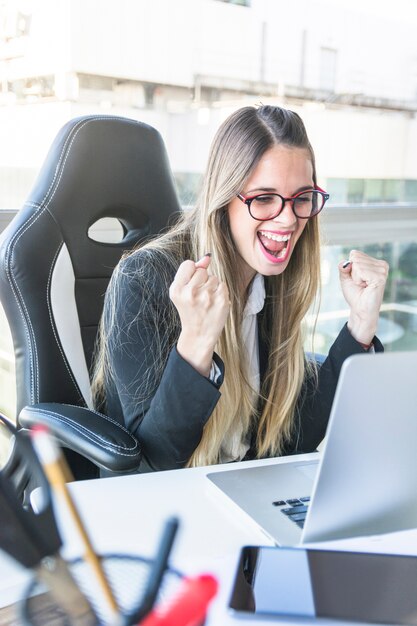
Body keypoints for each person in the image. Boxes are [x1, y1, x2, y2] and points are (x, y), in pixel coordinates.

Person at [92, 105, 389, 473]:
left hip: (245, 490)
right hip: (168, 505)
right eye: (264, 198)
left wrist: (360, 326)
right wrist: (196, 347)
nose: (288, 218)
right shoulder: (142, 280)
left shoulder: (275, 280)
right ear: (224, 200)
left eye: (301, 198)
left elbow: (291, 441)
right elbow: (154, 465)